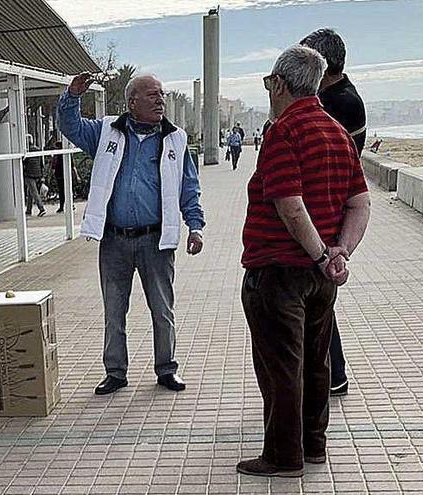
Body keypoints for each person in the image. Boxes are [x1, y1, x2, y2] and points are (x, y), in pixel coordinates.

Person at [237, 45, 370, 477]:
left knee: (281, 366)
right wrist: (338, 254)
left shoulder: (284, 132)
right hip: (320, 277)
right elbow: (360, 203)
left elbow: (289, 206)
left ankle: (282, 456)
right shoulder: (336, 132)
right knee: (316, 362)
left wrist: (318, 254)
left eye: (267, 83)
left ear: (279, 83)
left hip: (278, 271)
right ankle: (313, 446)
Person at [58, 72, 205, 395]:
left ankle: (167, 369)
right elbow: (71, 127)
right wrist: (71, 96)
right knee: (114, 309)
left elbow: (188, 187)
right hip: (114, 240)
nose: (160, 100)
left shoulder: (175, 139)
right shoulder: (106, 131)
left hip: (156, 240)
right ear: (132, 101)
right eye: (152, 95)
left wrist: (195, 226)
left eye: (162, 94)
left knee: (163, 309)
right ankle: (115, 372)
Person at [300, 28, 367, 397]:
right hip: (327, 208)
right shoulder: (336, 96)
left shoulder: (338, 103)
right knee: (318, 298)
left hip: (325, 212)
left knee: (318, 298)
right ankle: (331, 373)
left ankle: (333, 373)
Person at [48, 140, 79, 213]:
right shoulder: (67, 154)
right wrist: (77, 176)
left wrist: (50, 175)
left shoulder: (57, 155)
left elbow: (53, 166)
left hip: (60, 175)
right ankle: (71, 205)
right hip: (67, 175)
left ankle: (63, 207)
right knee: (69, 191)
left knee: (62, 192)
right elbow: (73, 166)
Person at [24, 135, 47, 217]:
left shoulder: (26, 152)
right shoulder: (38, 150)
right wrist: (42, 175)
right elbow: (41, 163)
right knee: (30, 192)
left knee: (34, 192)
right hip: (38, 174)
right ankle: (28, 210)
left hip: (29, 174)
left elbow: (25, 163)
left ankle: (41, 209)